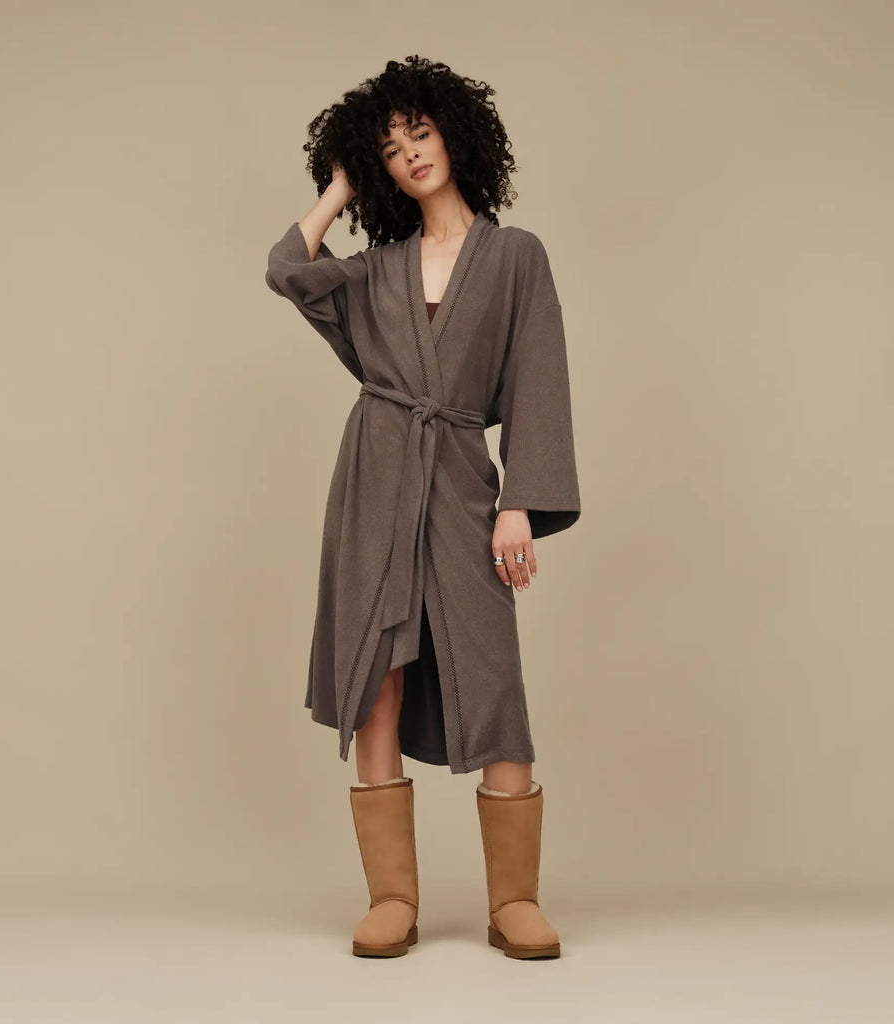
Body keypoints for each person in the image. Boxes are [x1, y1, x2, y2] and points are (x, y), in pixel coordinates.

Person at [265, 56, 581, 959]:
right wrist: (337, 187)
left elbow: (539, 381)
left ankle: (513, 900)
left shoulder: (516, 258)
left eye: (421, 132)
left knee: (490, 667)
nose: (410, 153)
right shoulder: (375, 271)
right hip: (375, 474)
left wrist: (520, 503)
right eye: (389, 148)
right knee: (377, 673)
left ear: (454, 134)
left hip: (461, 478)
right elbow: (288, 269)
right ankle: (393, 899)